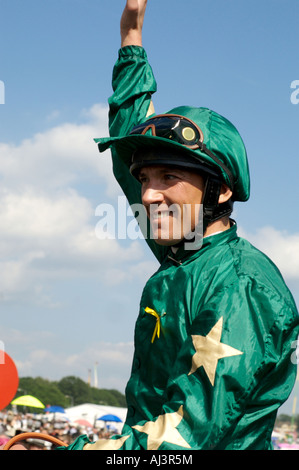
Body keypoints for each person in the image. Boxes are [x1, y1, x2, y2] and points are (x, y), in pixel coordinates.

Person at [5, 0, 299, 451]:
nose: (147, 195)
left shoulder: (241, 286)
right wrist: (131, 42)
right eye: (146, 179)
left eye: (169, 178)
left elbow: (184, 439)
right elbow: (128, 153)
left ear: (220, 191)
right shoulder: (185, 253)